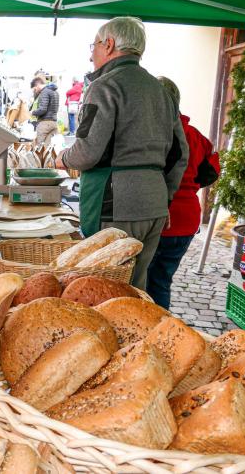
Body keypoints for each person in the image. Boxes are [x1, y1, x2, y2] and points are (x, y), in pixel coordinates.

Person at [55, 16, 188, 290]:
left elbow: (87, 151)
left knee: (102, 287)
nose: (91, 54)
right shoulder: (160, 89)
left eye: (93, 46)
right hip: (153, 204)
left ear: (109, 44)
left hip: (115, 203)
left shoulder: (104, 86)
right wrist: (165, 198)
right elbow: (179, 154)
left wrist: (63, 158)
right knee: (136, 286)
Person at [146, 77, 220, 309]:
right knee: (162, 281)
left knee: (145, 283)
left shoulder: (153, 133)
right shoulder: (196, 135)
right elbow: (211, 172)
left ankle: (149, 332)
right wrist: (190, 188)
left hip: (161, 218)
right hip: (188, 218)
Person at [30, 77, 59, 146]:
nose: (35, 91)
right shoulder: (55, 91)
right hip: (54, 122)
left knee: (39, 148)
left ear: (37, 85)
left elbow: (42, 109)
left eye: (35, 89)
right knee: (48, 148)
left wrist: (32, 112)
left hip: (45, 123)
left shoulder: (44, 92)